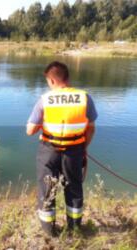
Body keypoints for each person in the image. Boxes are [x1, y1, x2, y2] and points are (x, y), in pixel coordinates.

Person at [26, 61, 98, 236]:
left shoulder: (45, 99)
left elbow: (30, 130)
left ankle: (50, 231)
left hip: (49, 151)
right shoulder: (84, 98)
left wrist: (43, 123)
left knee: (47, 189)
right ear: (68, 78)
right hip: (74, 151)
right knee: (73, 188)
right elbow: (91, 127)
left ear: (51, 81)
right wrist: (83, 147)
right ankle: (74, 228)